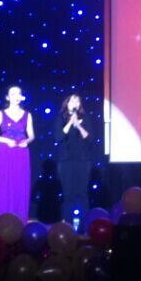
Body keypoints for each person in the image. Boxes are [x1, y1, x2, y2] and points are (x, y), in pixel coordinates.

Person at [0, 85, 35, 224]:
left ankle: (20, 221)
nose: (16, 97)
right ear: (7, 97)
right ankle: (5, 220)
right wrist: (7, 140)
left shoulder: (27, 115)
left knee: (21, 185)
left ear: (22, 97)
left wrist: (27, 141)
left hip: (21, 152)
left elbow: (32, 135)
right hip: (6, 151)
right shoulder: (1, 114)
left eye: (18, 94)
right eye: (13, 94)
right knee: (5, 184)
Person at [54, 94, 93, 225]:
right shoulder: (61, 119)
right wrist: (71, 122)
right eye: (72, 101)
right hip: (65, 161)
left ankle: (84, 225)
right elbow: (58, 137)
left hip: (83, 160)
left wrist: (79, 125)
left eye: (77, 101)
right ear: (67, 104)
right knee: (68, 193)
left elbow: (89, 138)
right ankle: (68, 224)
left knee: (82, 193)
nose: (75, 103)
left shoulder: (85, 118)